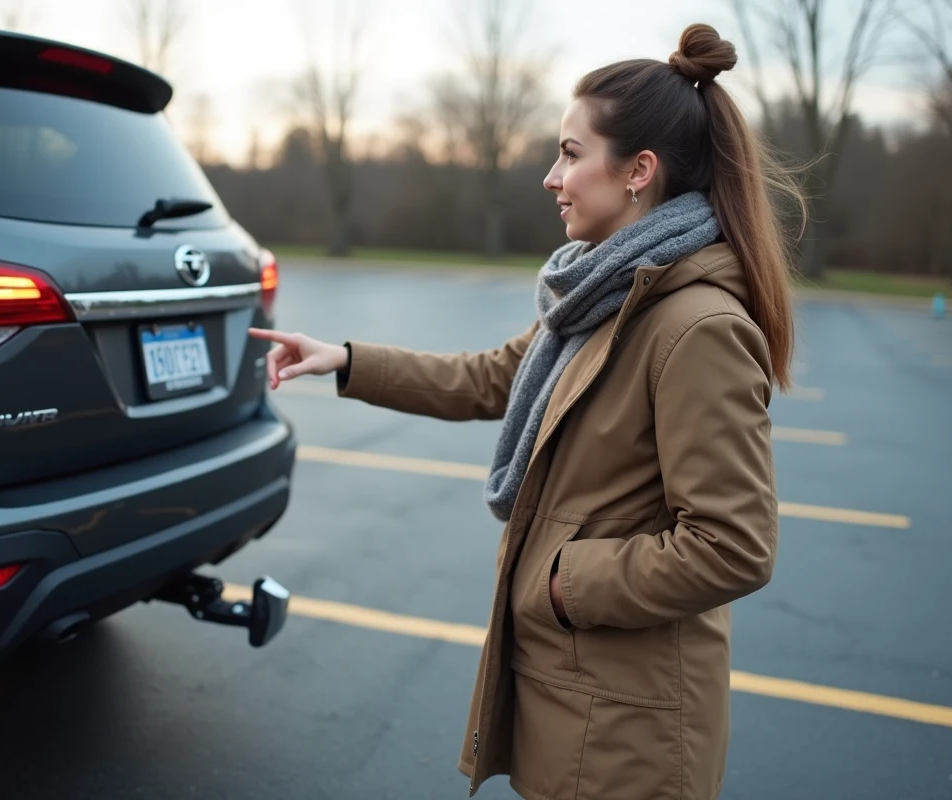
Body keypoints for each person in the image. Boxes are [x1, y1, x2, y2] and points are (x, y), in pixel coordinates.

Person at [249, 23, 803, 800]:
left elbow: (733, 545)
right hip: (576, 694)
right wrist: (345, 359)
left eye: (572, 154)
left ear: (639, 171)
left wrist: (559, 582)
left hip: (628, 730)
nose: (552, 176)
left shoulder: (694, 326)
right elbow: (495, 378)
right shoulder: (605, 296)